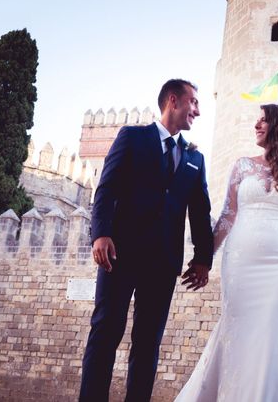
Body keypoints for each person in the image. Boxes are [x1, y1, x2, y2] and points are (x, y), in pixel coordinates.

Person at [79, 79, 214, 402]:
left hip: (163, 264)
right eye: (193, 102)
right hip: (119, 255)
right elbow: (107, 189)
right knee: (105, 333)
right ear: (173, 100)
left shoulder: (195, 159)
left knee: (147, 343)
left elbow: (199, 212)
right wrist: (100, 234)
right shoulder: (132, 137)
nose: (198, 109)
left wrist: (203, 260)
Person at [175, 103, 278, 402]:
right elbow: (227, 215)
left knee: (274, 338)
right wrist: (205, 259)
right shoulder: (241, 166)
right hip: (241, 261)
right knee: (237, 332)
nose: (256, 125)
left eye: (263, 120)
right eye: (256, 120)